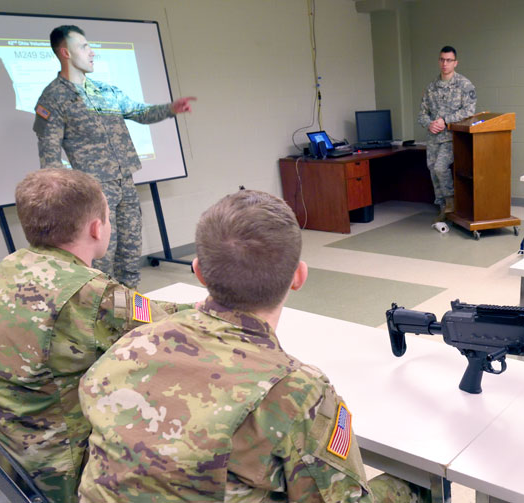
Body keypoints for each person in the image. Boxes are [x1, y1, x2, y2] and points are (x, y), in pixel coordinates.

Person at [78, 190, 428, 503]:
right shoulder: (297, 391)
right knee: (415, 484)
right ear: (299, 277)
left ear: (198, 272)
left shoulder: (129, 345)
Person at [0, 168, 181, 503]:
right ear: (97, 228)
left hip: (6, 449)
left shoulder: (11, 265)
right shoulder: (91, 293)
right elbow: (167, 323)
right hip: (58, 464)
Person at [33, 25, 196, 289]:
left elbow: (139, 112)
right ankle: (101, 315)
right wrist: (61, 198)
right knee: (101, 258)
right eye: (84, 46)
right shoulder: (53, 99)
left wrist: (170, 109)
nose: (92, 52)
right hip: (95, 191)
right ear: (65, 52)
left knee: (131, 252)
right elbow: (49, 156)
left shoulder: (105, 91)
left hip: (125, 183)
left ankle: (131, 311)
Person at [417, 45, 476, 221]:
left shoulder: (464, 85)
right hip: (433, 138)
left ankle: (451, 203)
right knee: (432, 170)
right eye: (442, 60)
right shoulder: (431, 87)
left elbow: (469, 111)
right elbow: (422, 113)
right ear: (439, 61)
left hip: (452, 138)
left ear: (455, 63)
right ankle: (442, 206)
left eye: (449, 60)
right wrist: (429, 124)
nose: (445, 63)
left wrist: (445, 120)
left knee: (440, 168)